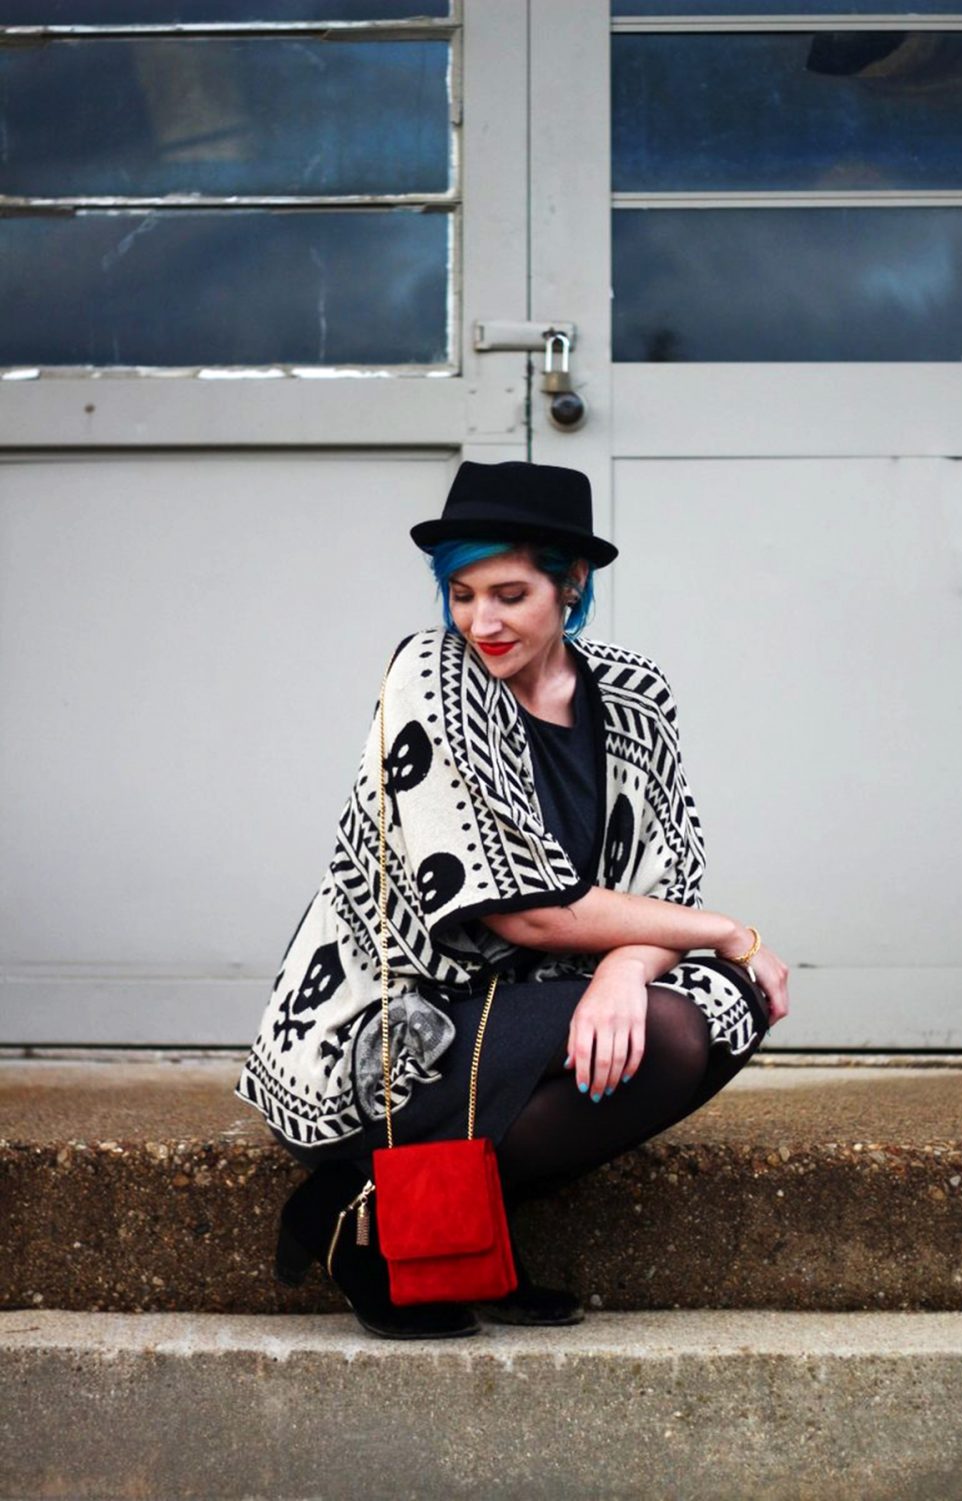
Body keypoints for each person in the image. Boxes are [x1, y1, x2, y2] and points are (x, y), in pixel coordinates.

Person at [234, 458, 790, 1340]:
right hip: (396, 1022)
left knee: (724, 1003)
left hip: (530, 1013)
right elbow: (518, 908)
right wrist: (723, 929)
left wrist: (622, 974)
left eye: (509, 593)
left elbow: (656, 886)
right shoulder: (432, 674)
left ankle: (453, 1229)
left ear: (570, 586)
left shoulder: (635, 694)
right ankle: (363, 1214)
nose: (479, 622)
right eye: (460, 593)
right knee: (687, 1004)